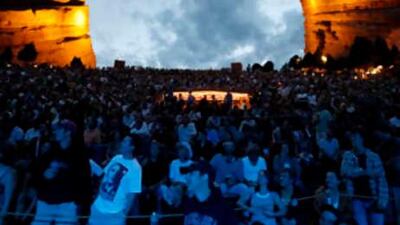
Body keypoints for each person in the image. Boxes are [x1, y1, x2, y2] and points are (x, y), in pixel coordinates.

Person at [31, 120, 92, 225]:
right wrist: (44, 175)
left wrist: (79, 204)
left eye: (59, 129)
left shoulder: (79, 155)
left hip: (67, 204)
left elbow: (85, 182)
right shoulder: (49, 151)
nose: (55, 132)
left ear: (67, 132)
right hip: (45, 202)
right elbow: (36, 172)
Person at [161, 161, 239, 225]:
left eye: (191, 173)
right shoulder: (187, 203)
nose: (186, 177)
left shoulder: (222, 209)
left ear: (204, 177)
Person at [89, 135, 142, 225]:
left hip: (115, 212)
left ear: (132, 147)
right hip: (98, 207)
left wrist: (123, 214)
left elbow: (132, 194)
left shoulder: (136, 168)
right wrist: (96, 199)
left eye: (125, 142)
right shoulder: (116, 158)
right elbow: (104, 177)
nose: (122, 143)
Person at [341, 131, 388, 225]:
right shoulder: (348, 155)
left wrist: (383, 199)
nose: (353, 140)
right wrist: (364, 172)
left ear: (362, 139)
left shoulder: (373, 156)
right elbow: (344, 172)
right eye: (352, 138)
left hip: (374, 198)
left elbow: (382, 179)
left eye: (355, 137)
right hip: (356, 199)